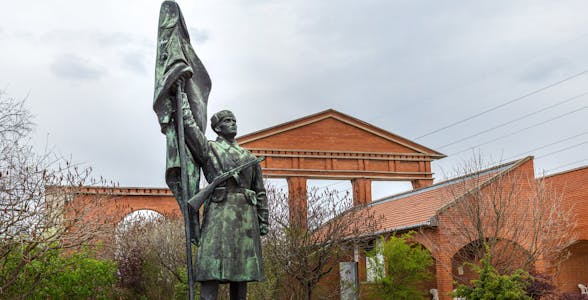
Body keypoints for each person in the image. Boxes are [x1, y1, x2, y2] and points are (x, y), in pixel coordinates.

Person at [181, 102, 268, 300]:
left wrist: (263, 221)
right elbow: (190, 128)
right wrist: (184, 99)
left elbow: (260, 192)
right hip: (219, 213)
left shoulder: (249, 157)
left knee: (241, 274)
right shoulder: (209, 148)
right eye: (227, 121)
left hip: (245, 217)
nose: (233, 124)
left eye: (234, 121)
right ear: (217, 127)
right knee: (210, 271)